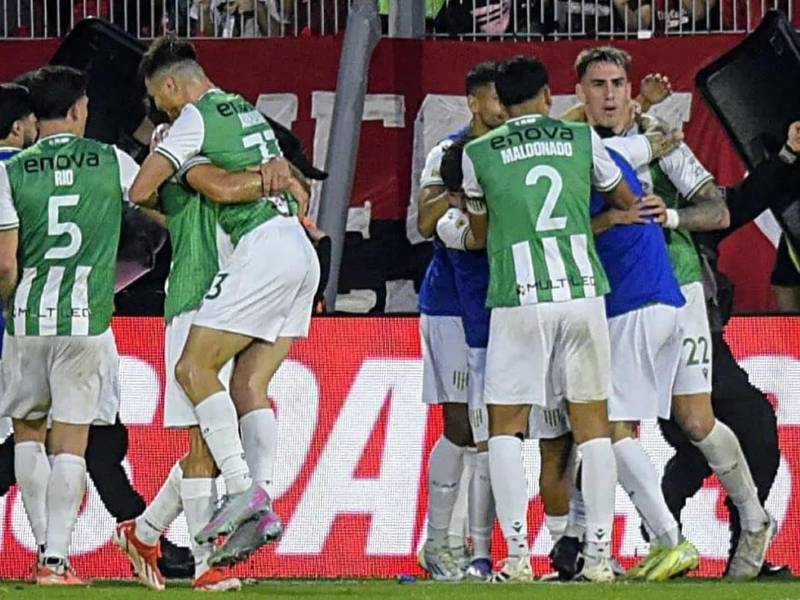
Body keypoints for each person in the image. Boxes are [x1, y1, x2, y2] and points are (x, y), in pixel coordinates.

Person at [121, 34, 319, 579]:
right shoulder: (245, 117)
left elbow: (145, 189)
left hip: (244, 271)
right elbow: (249, 183)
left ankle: (240, 505)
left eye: (159, 102)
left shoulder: (191, 126)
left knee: (202, 404)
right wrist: (275, 181)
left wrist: (257, 182)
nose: (160, 115)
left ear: (169, 86)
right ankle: (181, 541)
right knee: (226, 411)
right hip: (217, 281)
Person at [575, 45, 774, 581]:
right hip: (609, 295)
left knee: (691, 420)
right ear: (582, 93)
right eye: (599, 85)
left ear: (629, 87)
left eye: (618, 83)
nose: (610, 94)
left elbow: (720, 208)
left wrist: (675, 215)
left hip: (680, 290)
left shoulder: (663, 144)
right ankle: (654, 538)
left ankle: (745, 524)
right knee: (636, 422)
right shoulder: (576, 146)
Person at [462, 55, 638, 583]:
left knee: (504, 430)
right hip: (582, 293)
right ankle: (601, 558)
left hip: (518, 296)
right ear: (546, 96)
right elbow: (624, 195)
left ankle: (517, 557)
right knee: (594, 429)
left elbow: (479, 230)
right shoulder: (583, 141)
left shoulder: (477, 153)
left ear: (501, 101)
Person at [0, 66, 136, 585]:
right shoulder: (110, 160)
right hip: (86, 321)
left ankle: (42, 552)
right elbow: (154, 200)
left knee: (27, 436)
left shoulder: (11, 170)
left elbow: (7, 262)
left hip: (27, 320)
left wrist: (13, 303)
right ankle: (57, 559)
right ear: (81, 109)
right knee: (71, 444)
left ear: (34, 117)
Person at [415, 62, 505, 582]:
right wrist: (460, 197)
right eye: (495, 100)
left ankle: (480, 553)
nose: (503, 110)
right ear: (474, 103)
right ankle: (442, 544)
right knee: (462, 426)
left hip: (500, 302)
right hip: (450, 304)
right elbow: (424, 221)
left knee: (497, 431)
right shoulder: (447, 152)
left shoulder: (512, 147)